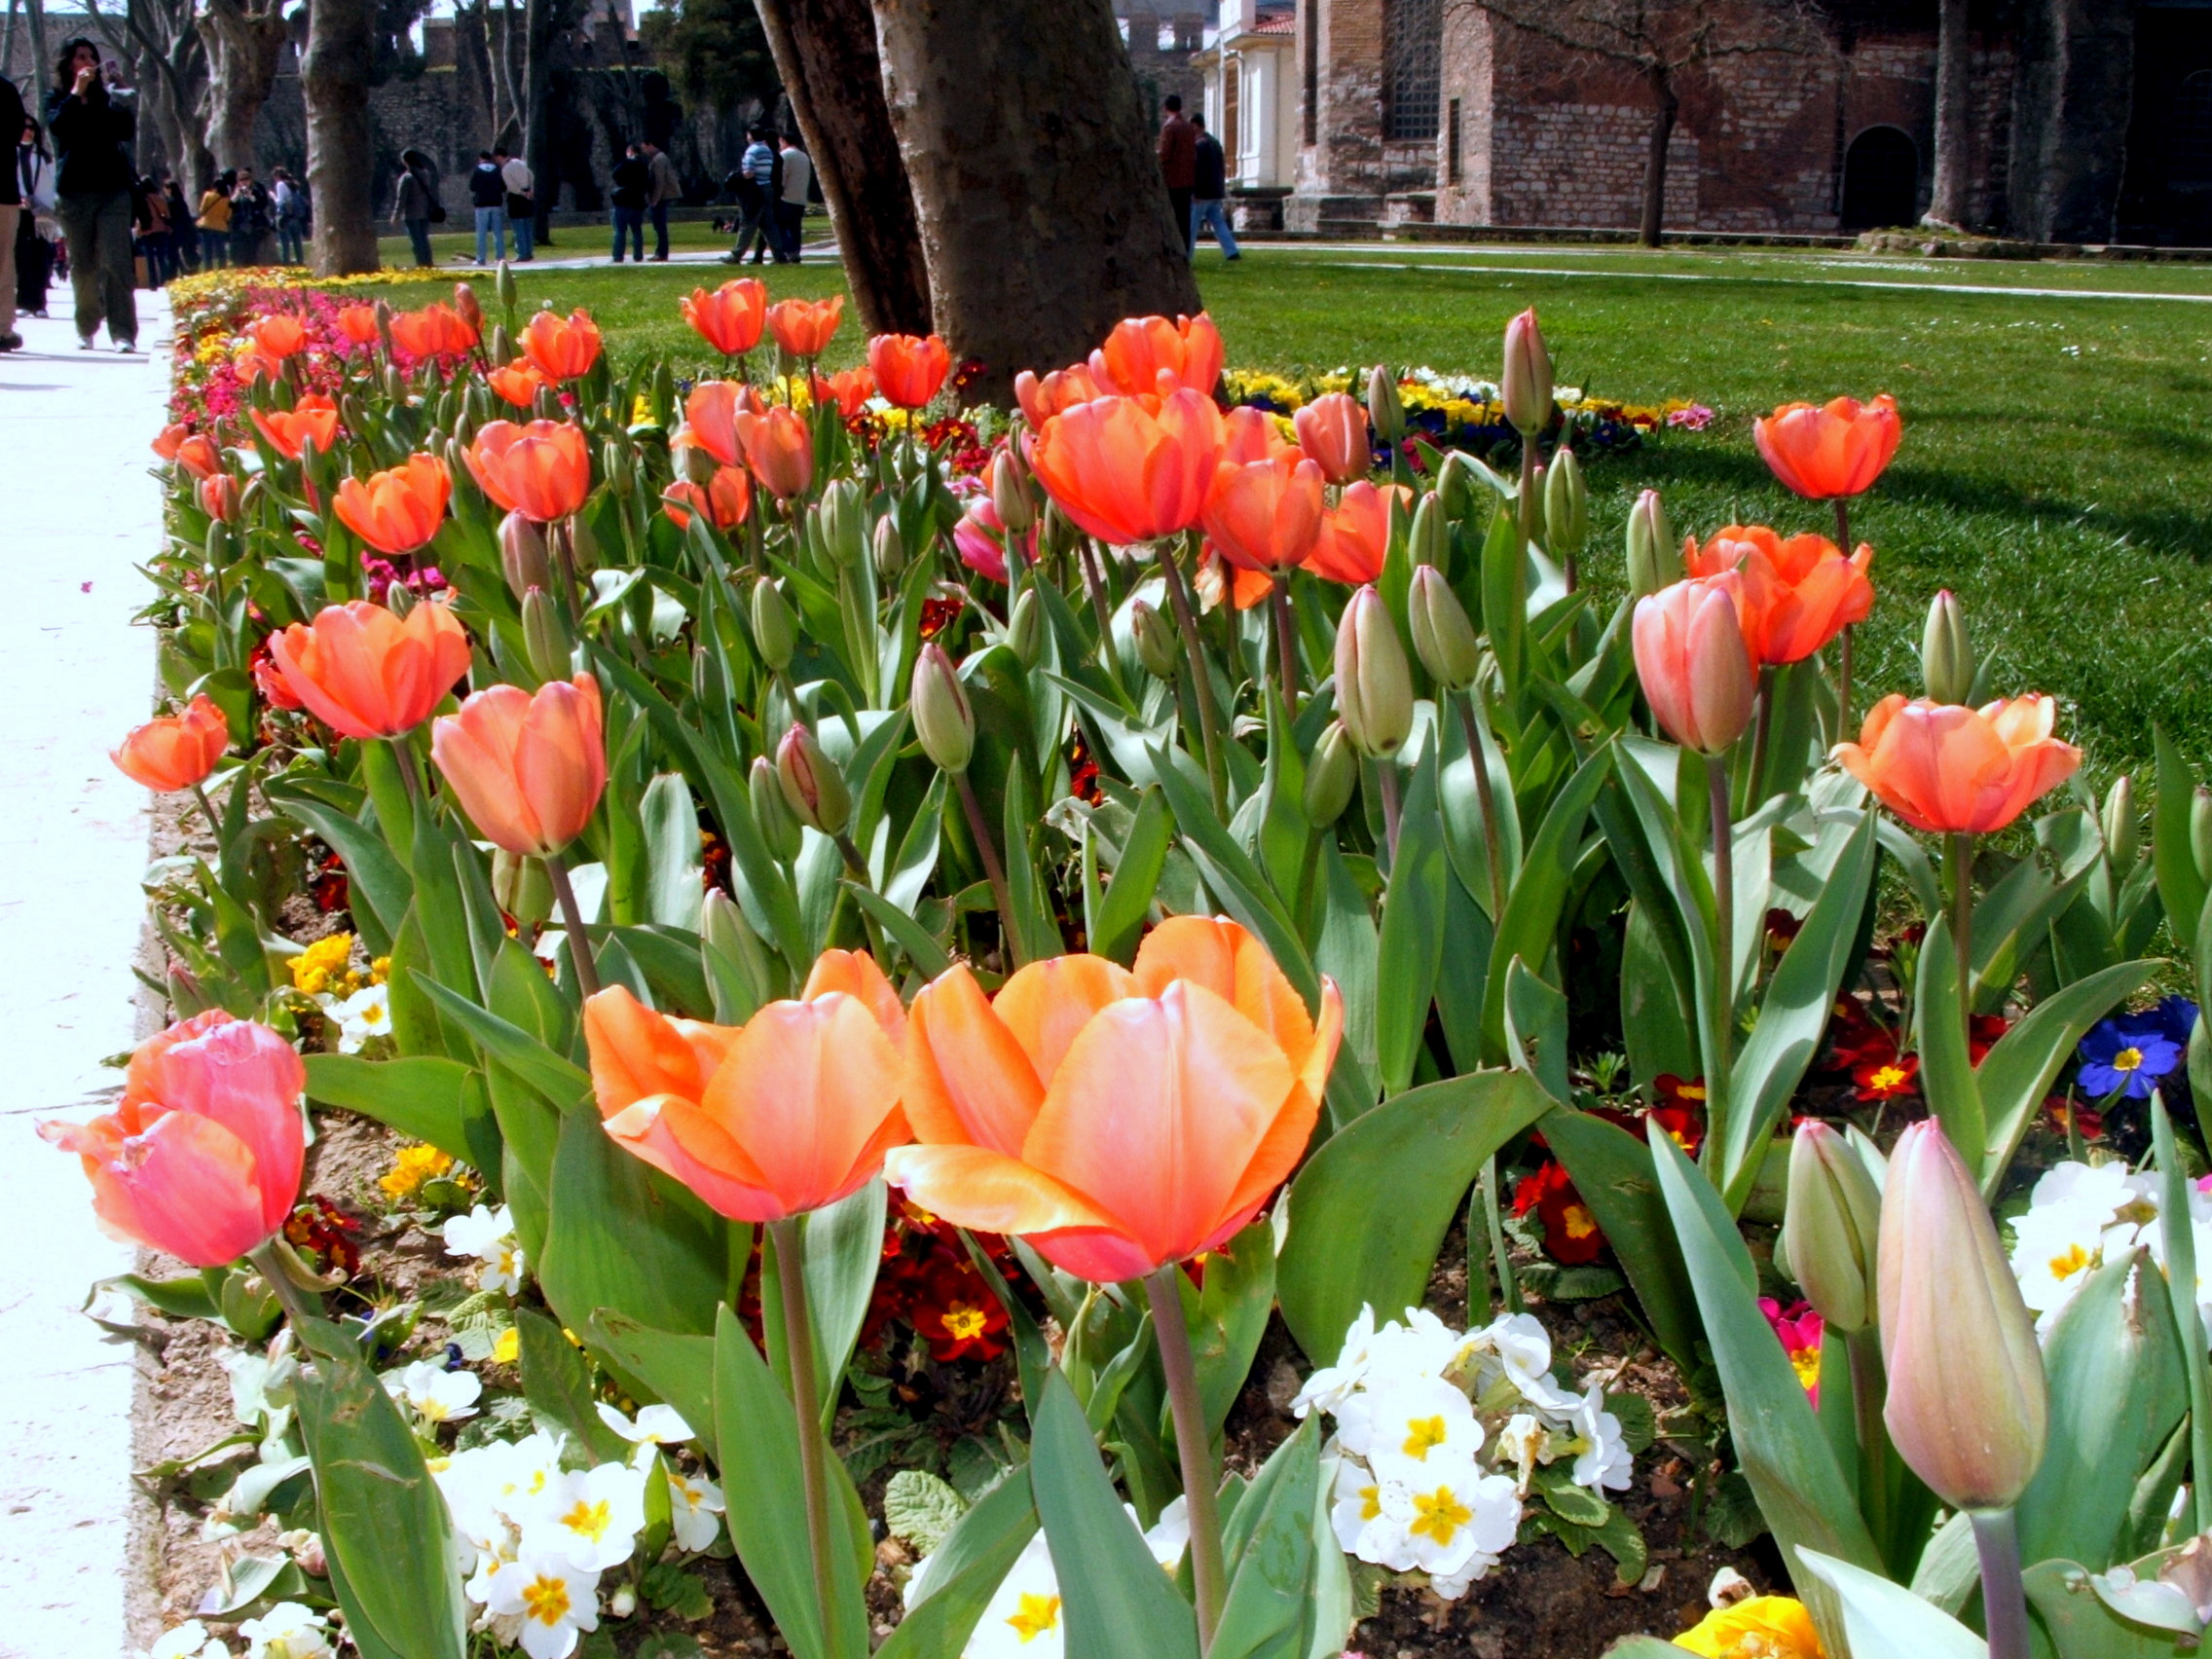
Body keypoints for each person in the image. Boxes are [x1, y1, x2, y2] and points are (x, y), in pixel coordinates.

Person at [45, 38, 138, 351]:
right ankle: (86, 327)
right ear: (68, 63)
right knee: (82, 265)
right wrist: (77, 92)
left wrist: (121, 93)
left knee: (116, 261)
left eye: (91, 56)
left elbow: (125, 131)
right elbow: (58, 127)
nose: (87, 62)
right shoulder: (57, 98)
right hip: (74, 193)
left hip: (112, 190)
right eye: (80, 56)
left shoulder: (107, 98)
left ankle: (122, 332)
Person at [18, 118, 55, 323]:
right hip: (18, 210)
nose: (28, 131)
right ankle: (24, 301)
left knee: (41, 257)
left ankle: (40, 303)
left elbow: (52, 182)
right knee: (22, 257)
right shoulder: (12, 153)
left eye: (31, 128)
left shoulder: (43, 156)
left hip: (42, 213)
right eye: (24, 127)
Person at [722, 125, 777, 266]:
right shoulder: (767, 150)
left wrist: (737, 177)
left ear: (751, 136)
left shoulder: (752, 150)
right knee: (768, 225)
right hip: (767, 187)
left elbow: (749, 173)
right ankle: (779, 255)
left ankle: (736, 254)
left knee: (748, 223)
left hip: (754, 191)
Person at [1189, 114, 1238, 262]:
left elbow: (1199, 171)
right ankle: (1231, 251)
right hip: (1215, 191)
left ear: (1195, 126)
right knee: (1218, 222)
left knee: (1192, 226)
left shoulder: (1199, 146)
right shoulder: (1215, 143)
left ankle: (1187, 254)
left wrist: (1196, 191)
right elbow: (1220, 168)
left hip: (1202, 194)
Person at [1157, 92, 1197, 257]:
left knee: (1171, 217)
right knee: (1184, 218)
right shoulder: (1188, 127)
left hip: (1172, 179)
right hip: (1187, 179)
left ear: (1166, 108)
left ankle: (1172, 250)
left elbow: (1165, 154)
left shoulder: (1170, 127)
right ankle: (1185, 251)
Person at [0, 72, 23, 350]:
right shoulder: (5, 90)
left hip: (3, 191)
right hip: (3, 190)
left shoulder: (5, 91)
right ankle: (2, 328)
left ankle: (3, 328)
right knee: (3, 262)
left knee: (4, 261)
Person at [394, 149, 437, 269]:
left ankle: (421, 262)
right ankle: (428, 261)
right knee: (424, 238)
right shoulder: (425, 174)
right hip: (425, 210)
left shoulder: (407, 178)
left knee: (416, 240)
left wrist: (396, 215)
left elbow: (401, 198)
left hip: (411, 212)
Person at [774, 130, 810, 265]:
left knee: (781, 226)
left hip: (786, 197)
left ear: (783, 141)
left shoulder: (785, 155)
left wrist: (778, 192)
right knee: (795, 227)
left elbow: (782, 176)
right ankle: (796, 252)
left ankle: (790, 251)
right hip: (800, 197)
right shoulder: (804, 156)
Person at [608, 140, 648, 262]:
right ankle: (638, 255)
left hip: (624, 201)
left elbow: (615, 174)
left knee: (620, 230)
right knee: (637, 230)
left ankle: (618, 255)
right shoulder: (643, 165)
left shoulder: (626, 163)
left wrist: (623, 182)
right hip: (638, 201)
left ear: (630, 152)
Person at [467, 148, 507, 265]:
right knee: (498, 232)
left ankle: (481, 258)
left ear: (480, 159)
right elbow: (503, 187)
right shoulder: (497, 170)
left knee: (481, 233)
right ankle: (500, 257)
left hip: (482, 204)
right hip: (496, 203)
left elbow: (472, 187)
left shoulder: (477, 170)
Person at [643, 138, 679, 262]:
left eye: (645, 147)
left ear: (651, 145)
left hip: (661, 197)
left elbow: (660, 181)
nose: (644, 151)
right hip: (660, 197)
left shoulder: (659, 159)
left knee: (660, 226)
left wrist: (655, 199)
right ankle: (661, 252)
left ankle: (662, 253)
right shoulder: (657, 158)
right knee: (659, 225)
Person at [498, 145, 535, 260]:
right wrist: (530, 190)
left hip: (516, 198)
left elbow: (512, 187)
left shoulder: (505, 169)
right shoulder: (520, 162)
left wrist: (522, 193)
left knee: (518, 228)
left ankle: (522, 253)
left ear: (499, 157)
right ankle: (529, 252)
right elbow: (531, 175)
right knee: (527, 227)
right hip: (527, 193)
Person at [134, 171, 172, 283]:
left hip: (146, 230)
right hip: (160, 229)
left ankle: (153, 282)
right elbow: (167, 215)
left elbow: (139, 216)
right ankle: (164, 280)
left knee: (149, 258)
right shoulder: (160, 199)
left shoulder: (141, 200)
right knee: (161, 257)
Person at [230, 166, 271, 266]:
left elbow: (262, 204)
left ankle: (253, 267)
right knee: (242, 251)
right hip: (240, 226)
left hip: (254, 225)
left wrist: (250, 196)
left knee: (253, 251)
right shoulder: (236, 191)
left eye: (246, 179)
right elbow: (231, 206)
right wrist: (236, 195)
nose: (244, 182)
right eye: (241, 180)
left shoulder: (257, 190)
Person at [196, 167, 232, 268]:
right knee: (221, 251)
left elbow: (202, 210)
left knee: (207, 251)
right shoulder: (227, 200)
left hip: (207, 225)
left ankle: (209, 270)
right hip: (220, 227)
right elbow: (228, 216)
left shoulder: (208, 195)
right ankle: (222, 268)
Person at [272, 165, 306, 264]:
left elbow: (280, 202)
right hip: (295, 216)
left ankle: (286, 263)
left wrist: (273, 196)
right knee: (297, 242)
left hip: (284, 217)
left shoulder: (280, 184)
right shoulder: (293, 185)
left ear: (277, 176)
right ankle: (300, 262)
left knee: (285, 243)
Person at [164, 172, 198, 273]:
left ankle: (179, 271)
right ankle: (189, 269)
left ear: (169, 189)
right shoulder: (182, 201)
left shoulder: (171, 202)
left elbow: (170, 217)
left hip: (177, 231)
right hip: (186, 230)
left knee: (176, 253)